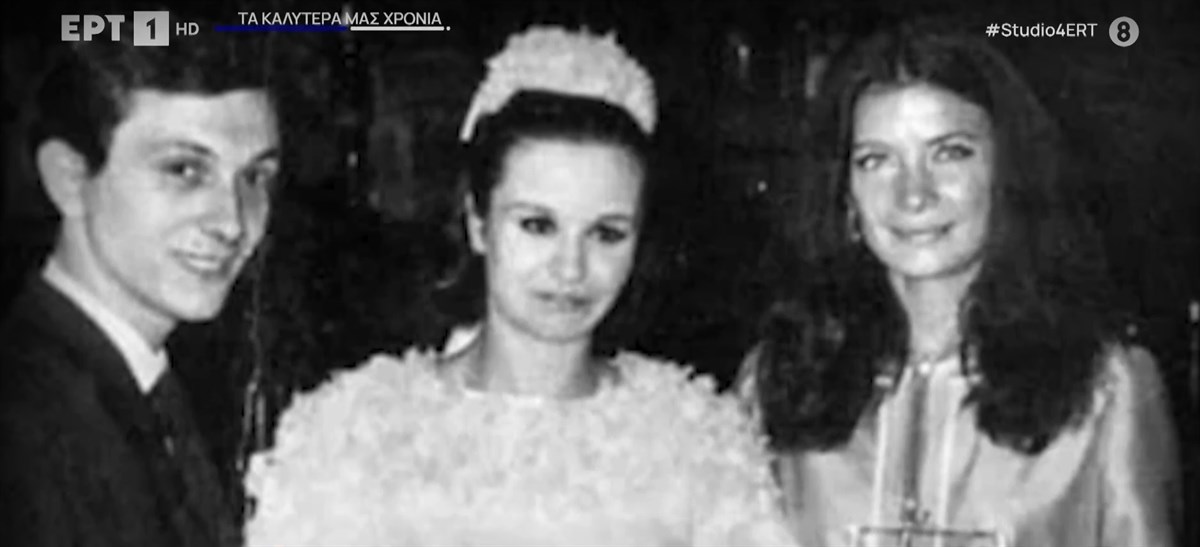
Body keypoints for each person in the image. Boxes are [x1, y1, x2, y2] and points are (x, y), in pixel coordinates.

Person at [243, 26, 797, 546]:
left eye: (606, 233)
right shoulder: (355, 435)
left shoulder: (698, 446)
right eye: (537, 225)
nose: (571, 268)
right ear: (477, 222)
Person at [740, 20, 1181, 547]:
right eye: (876, 161)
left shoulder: (1104, 390)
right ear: (845, 193)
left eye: (948, 152)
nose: (914, 194)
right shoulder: (777, 384)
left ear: (1005, 173)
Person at [0, 30, 282, 547]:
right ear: (69, 179)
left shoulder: (145, 382)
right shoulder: (25, 423)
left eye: (254, 177)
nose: (233, 222)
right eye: (185, 170)